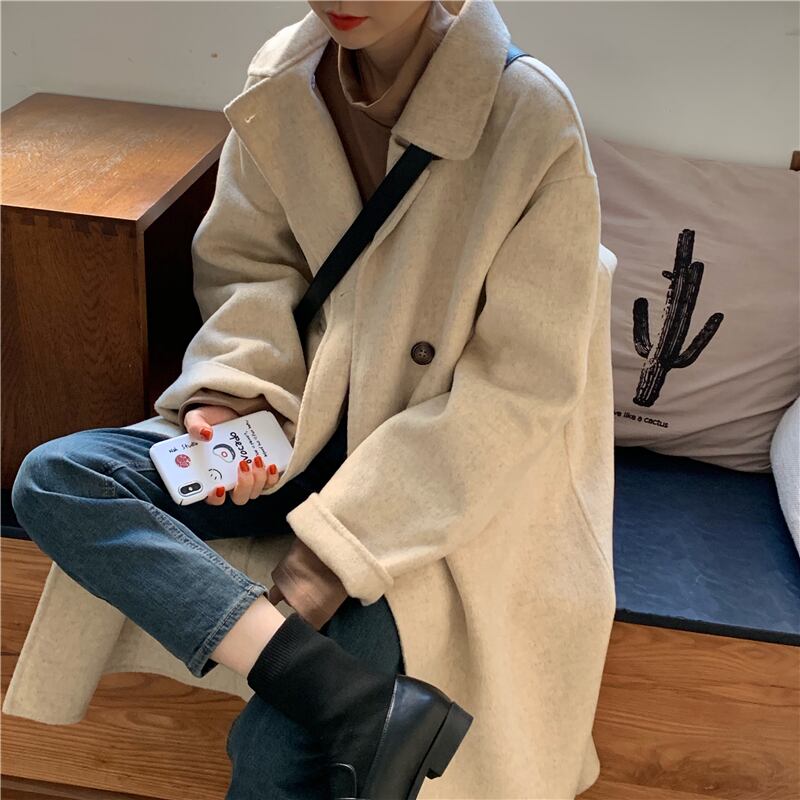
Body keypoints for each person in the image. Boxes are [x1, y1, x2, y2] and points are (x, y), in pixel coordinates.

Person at [11, 1, 617, 798]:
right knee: (58, 478)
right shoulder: (287, 79)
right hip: (300, 426)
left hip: (429, 484)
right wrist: (230, 393)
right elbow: (250, 265)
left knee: (275, 753)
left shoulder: (529, 116)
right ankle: (353, 701)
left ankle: (337, 701)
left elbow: (517, 392)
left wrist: (336, 547)